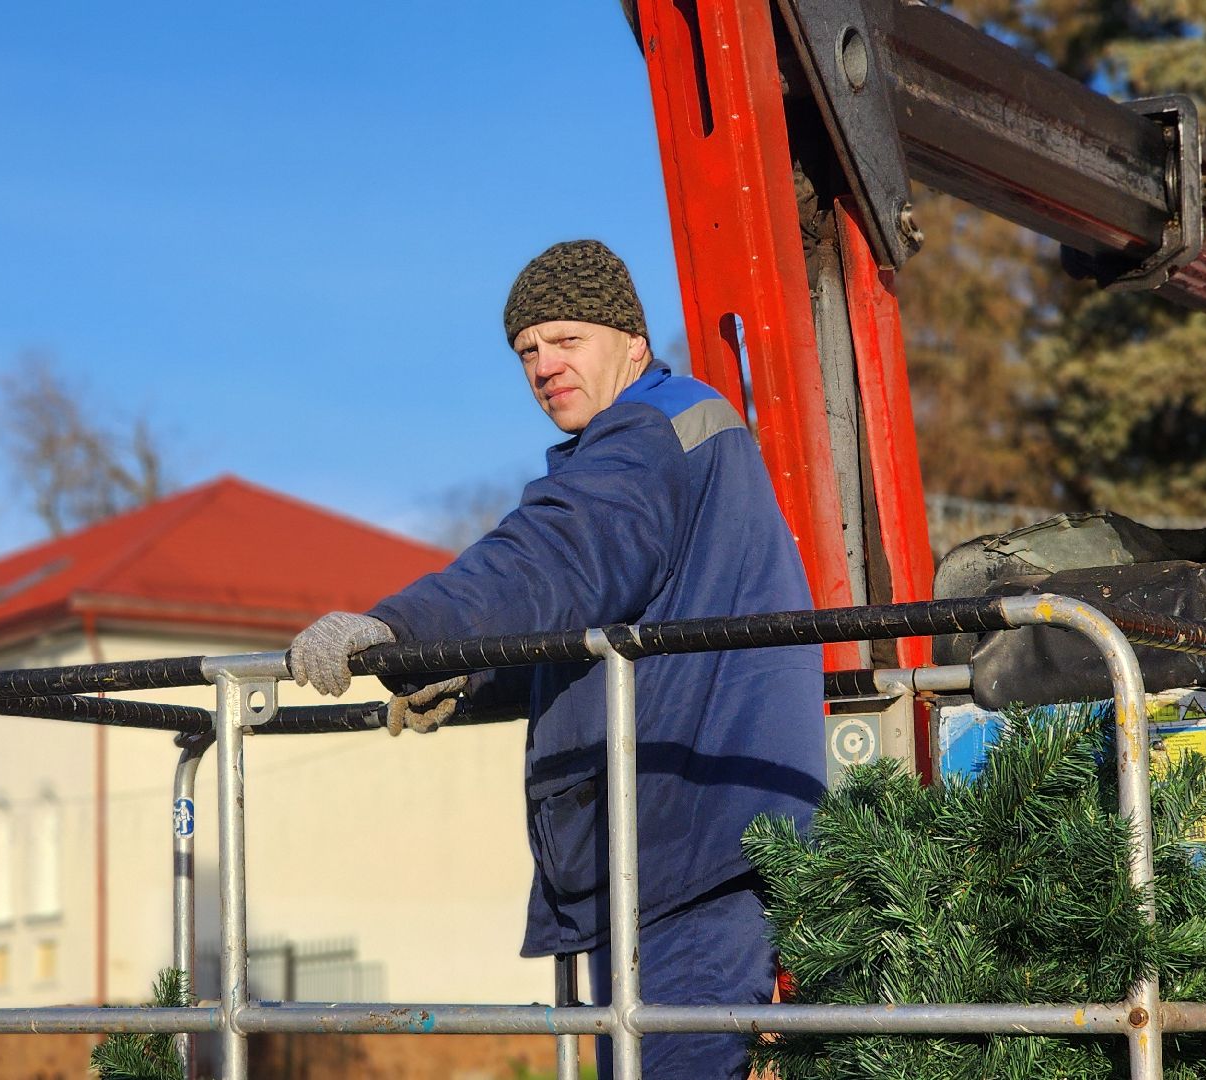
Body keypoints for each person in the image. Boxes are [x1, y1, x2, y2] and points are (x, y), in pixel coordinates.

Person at [288, 239, 826, 1079]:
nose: (543, 365)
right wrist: (464, 674)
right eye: (527, 351)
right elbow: (599, 622)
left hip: (686, 846)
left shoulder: (652, 434)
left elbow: (561, 559)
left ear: (634, 345)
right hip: (680, 841)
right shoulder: (670, 440)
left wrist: (409, 627)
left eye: (566, 340)